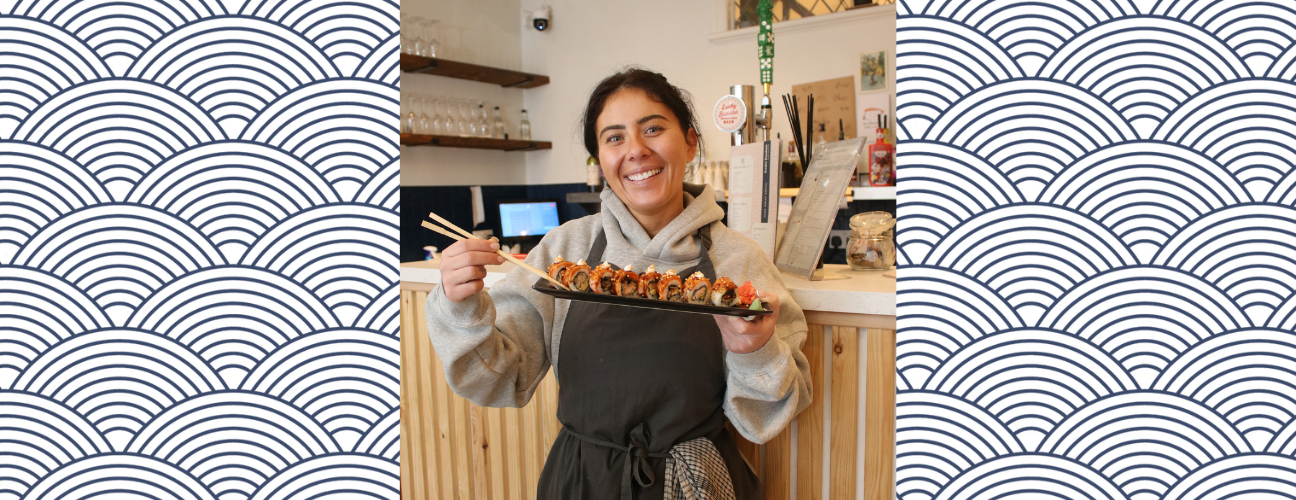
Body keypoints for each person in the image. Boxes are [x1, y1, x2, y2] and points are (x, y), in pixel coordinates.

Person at [427, 68, 811, 500]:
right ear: (599, 160)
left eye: (652, 129)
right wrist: (460, 307)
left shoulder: (739, 260)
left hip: (696, 482)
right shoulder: (565, 248)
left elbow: (763, 421)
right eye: (614, 138)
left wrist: (754, 352)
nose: (636, 150)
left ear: (690, 142)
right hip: (581, 483)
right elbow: (499, 379)